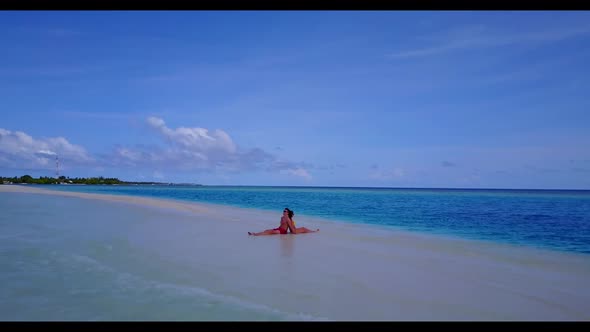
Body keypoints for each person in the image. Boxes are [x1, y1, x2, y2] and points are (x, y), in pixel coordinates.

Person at [248, 208, 319, 236]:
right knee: (267, 230)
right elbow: (281, 226)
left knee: (270, 232)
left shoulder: (288, 219)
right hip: (279, 229)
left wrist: (293, 232)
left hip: (283, 231)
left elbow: (291, 228)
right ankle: (255, 233)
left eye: (285, 211)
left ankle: (254, 234)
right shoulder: (282, 217)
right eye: (283, 211)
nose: (284, 212)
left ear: (287, 213)